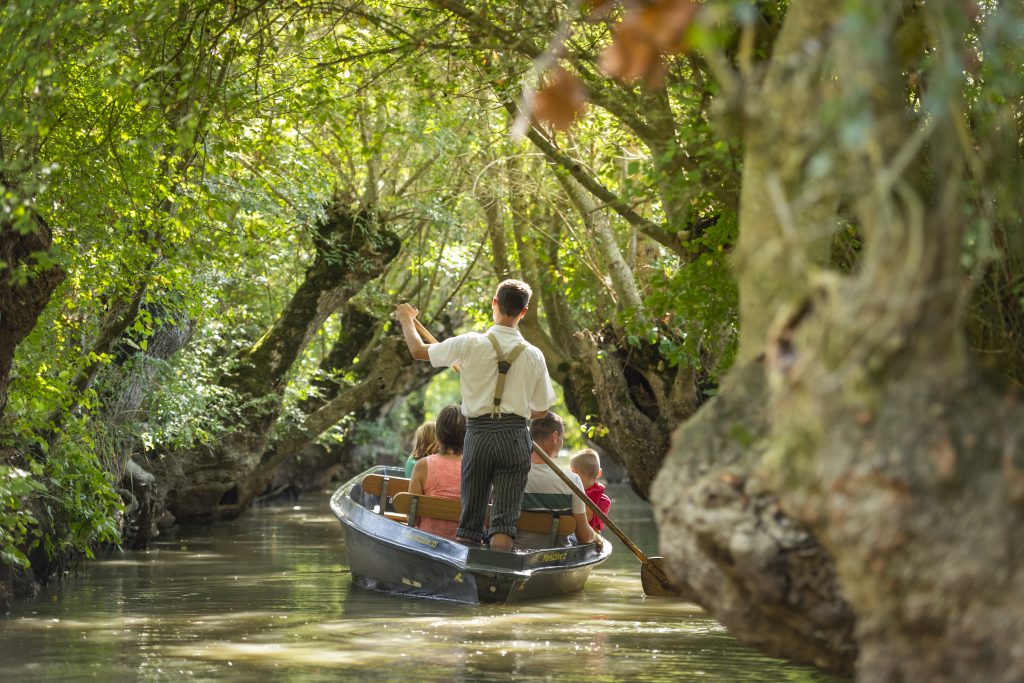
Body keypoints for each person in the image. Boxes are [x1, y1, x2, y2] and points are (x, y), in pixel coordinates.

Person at [394, 279, 555, 550]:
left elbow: (417, 350)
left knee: (471, 519)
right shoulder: (535, 355)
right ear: (524, 312)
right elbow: (540, 411)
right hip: (515, 437)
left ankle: (467, 578)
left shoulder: (470, 343)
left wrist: (406, 319)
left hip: (478, 435)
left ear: (495, 304)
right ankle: (496, 581)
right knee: (503, 522)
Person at [518, 412, 601, 549]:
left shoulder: (510, 475)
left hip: (516, 551)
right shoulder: (572, 480)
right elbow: (584, 537)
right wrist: (597, 537)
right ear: (555, 436)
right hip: (556, 554)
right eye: (562, 438)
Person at [409, 405, 466, 540]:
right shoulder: (474, 466)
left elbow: (413, 517)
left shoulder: (422, 465)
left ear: (438, 435)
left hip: (426, 541)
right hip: (463, 544)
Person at [569, 448, 611, 532]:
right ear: (599, 473)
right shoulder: (605, 501)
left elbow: (587, 518)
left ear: (573, 472)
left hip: (582, 535)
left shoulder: (572, 492)